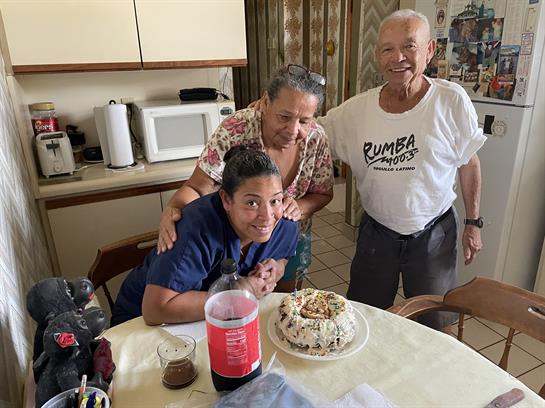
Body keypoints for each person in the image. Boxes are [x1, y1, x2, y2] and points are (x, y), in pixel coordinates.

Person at [318, 9, 485, 329]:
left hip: (434, 231)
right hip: (377, 231)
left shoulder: (450, 101)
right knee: (364, 317)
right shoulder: (356, 111)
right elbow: (312, 134)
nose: (398, 58)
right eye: (387, 48)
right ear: (378, 54)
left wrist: (473, 222)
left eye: (409, 46)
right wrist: (271, 112)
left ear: (430, 50)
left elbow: (470, 162)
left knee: (435, 321)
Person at [157, 65, 334, 292]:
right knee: (234, 298)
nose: (293, 130)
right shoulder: (238, 128)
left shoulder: (316, 138)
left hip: (286, 239)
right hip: (236, 240)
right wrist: (174, 206)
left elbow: (323, 192)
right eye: (284, 117)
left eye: (304, 121)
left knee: (283, 301)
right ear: (266, 102)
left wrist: (299, 206)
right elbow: (198, 187)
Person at [111, 147, 299, 326]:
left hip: (213, 318)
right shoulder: (196, 228)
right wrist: (240, 293)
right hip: (140, 323)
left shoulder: (285, 225)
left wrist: (275, 269)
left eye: (275, 200)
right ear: (226, 200)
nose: (268, 216)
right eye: (252, 203)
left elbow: (282, 257)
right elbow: (155, 310)